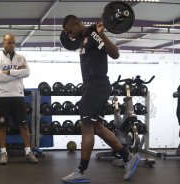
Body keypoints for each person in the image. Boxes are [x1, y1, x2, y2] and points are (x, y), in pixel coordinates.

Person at [61, 15, 140, 183]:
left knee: (86, 126)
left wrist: (102, 35)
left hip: (97, 85)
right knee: (97, 127)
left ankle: (82, 171)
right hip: (92, 85)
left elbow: (115, 53)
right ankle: (128, 157)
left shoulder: (93, 34)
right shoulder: (83, 38)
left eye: (70, 31)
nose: (70, 35)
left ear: (76, 23)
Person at [0, 33, 38, 165]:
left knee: (23, 125)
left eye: (13, 43)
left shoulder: (20, 58)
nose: (11, 45)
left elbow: (27, 73)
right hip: (2, 97)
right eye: (8, 42)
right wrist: (17, 73)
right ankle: (3, 154)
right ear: (3, 43)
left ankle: (28, 153)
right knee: (1, 126)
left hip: (18, 96)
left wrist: (9, 72)